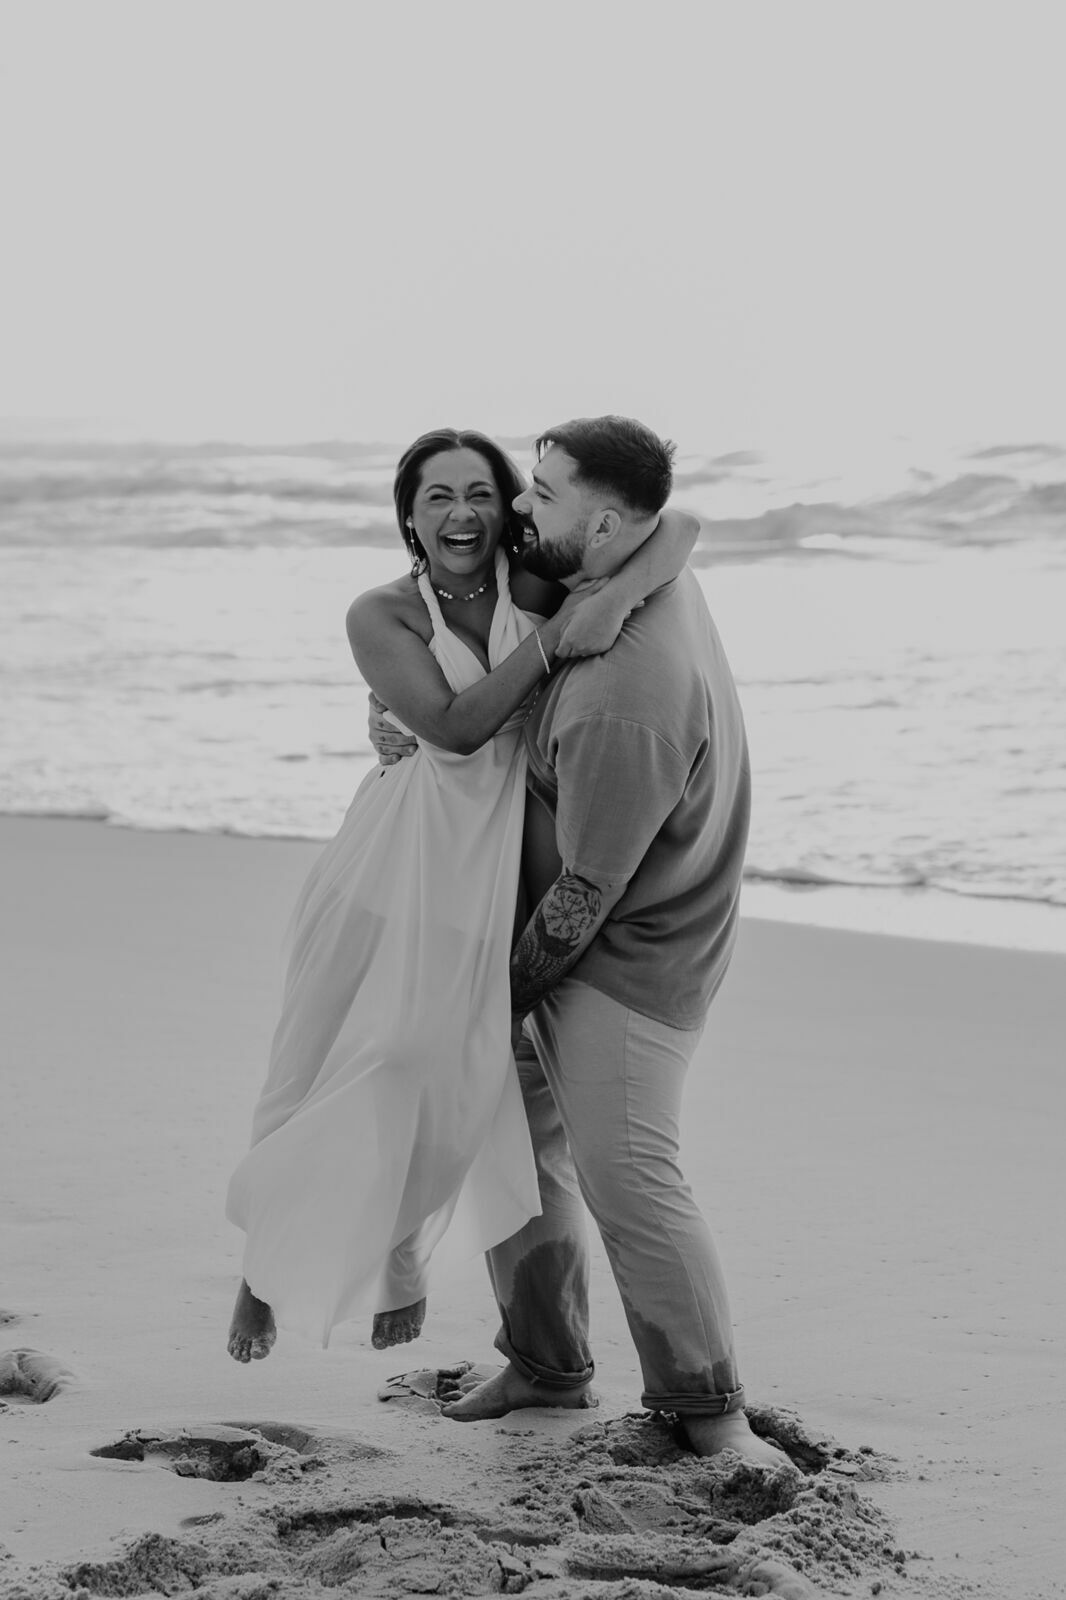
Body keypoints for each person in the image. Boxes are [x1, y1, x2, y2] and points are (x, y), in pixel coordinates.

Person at [225, 428, 697, 1364]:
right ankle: (261, 1270)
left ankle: (399, 1254)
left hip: (486, 870)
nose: (462, 515)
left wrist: (621, 599)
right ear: (408, 513)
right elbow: (450, 729)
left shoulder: (533, 579)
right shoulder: (382, 614)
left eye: (481, 493)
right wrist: (565, 635)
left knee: (438, 1069)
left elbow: (675, 524)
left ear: (508, 502)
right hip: (394, 856)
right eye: (437, 497)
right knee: (320, 1063)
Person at [374, 415, 784, 1466]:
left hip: (622, 960)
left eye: (540, 495)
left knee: (628, 1171)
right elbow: (679, 518)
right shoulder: (640, 562)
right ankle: (548, 1364)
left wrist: (490, 996)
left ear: (603, 526)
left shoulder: (620, 696)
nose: (516, 507)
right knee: (521, 1146)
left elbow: (588, 893)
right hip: (552, 939)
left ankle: (710, 1407)